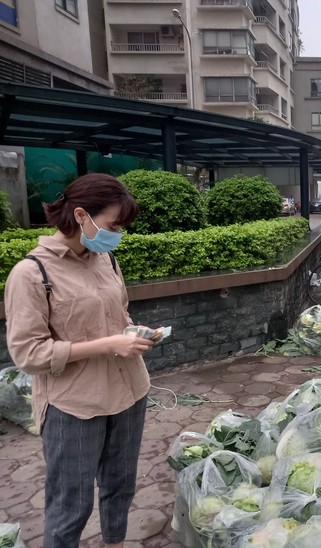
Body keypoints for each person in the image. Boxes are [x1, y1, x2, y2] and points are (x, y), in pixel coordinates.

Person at [4, 173, 156, 547]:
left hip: (129, 391)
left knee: (120, 486)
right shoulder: (31, 273)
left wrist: (136, 333)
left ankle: (115, 542)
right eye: (113, 225)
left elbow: (120, 317)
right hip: (74, 405)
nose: (118, 234)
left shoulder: (106, 259)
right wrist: (107, 344)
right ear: (81, 215)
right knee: (71, 502)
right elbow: (28, 353)